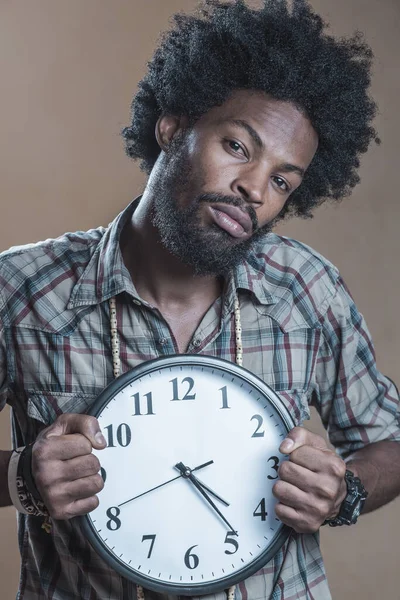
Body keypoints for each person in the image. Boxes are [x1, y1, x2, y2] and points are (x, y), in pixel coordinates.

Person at [1, 0, 399, 598]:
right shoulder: (22, 288)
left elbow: (388, 442)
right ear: (173, 124)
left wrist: (347, 489)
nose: (255, 190)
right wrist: (20, 475)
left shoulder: (307, 289)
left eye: (283, 179)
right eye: (239, 146)